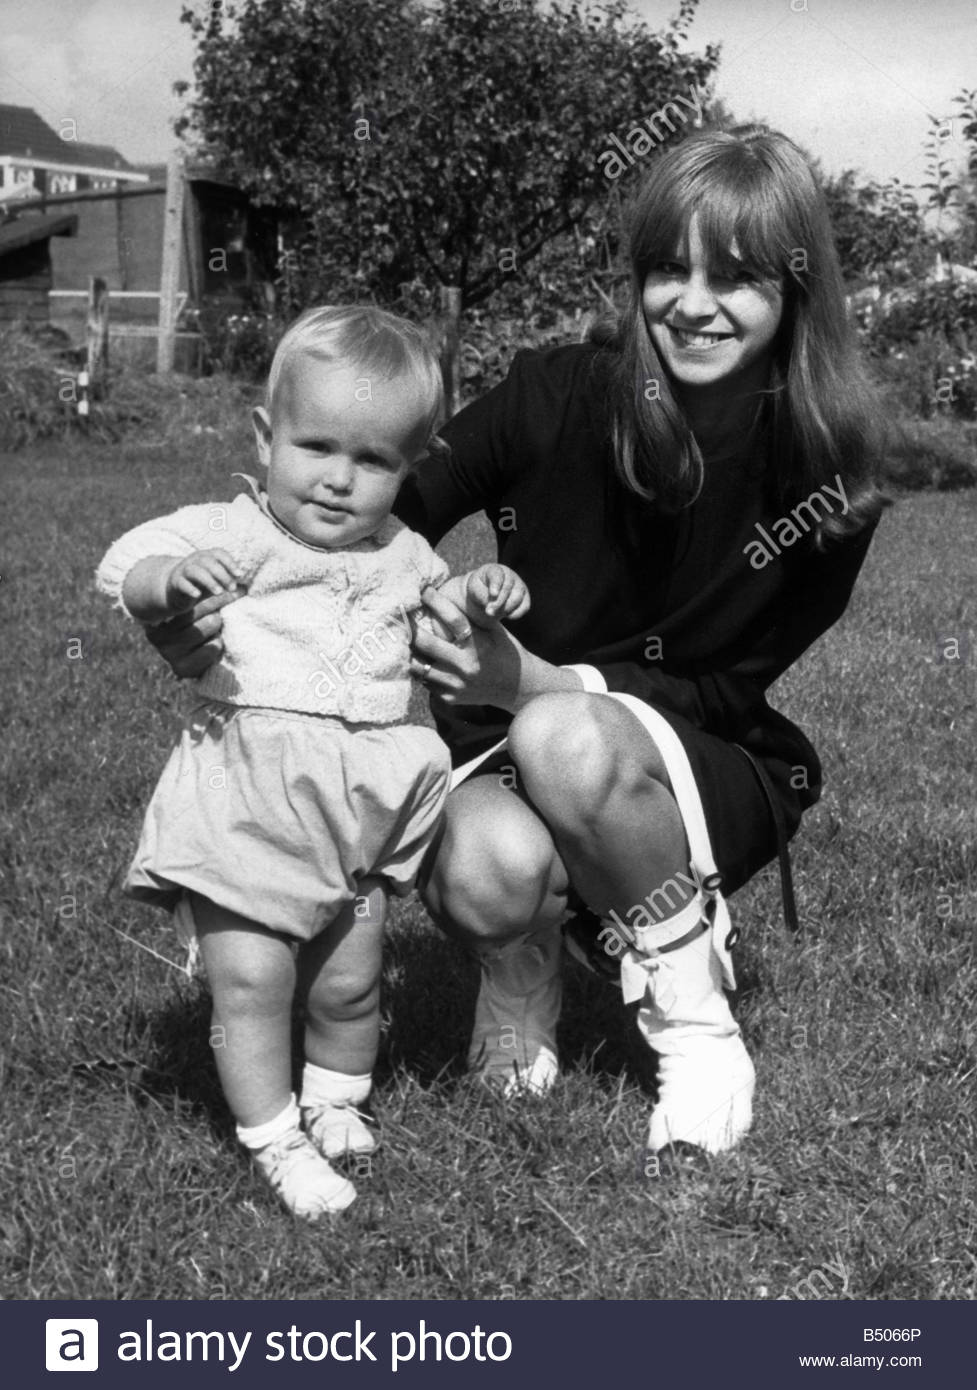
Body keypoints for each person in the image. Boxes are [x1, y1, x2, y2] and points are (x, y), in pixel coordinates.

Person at [146, 127, 887, 1160]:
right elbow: (388, 493)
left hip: (692, 757)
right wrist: (238, 584)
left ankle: (693, 1018)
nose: (693, 302)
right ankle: (519, 968)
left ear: (795, 292)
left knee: (564, 735)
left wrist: (533, 678)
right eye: (668, 267)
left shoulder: (829, 476)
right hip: (503, 750)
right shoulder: (556, 392)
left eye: (739, 278)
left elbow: (726, 683)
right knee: (485, 862)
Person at [95, 305, 529, 1219]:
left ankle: (334, 1100)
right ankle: (275, 1139)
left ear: (409, 468)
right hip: (247, 795)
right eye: (315, 447)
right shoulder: (237, 530)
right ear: (265, 439)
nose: (338, 481)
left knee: (349, 976)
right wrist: (168, 583)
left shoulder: (403, 552)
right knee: (252, 977)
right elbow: (127, 561)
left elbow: (441, 610)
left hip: (358, 803)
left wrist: (478, 595)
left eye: (372, 461)